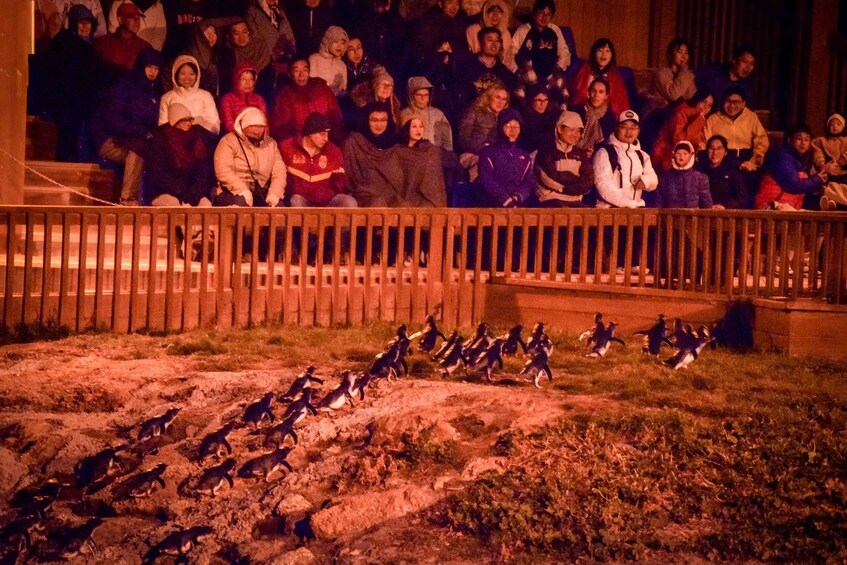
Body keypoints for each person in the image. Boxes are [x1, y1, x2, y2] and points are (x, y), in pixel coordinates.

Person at [92, 46, 163, 205]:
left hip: (135, 142)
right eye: (149, 67)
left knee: (149, 151)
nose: (153, 72)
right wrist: (140, 132)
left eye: (157, 68)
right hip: (110, 140)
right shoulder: (124, 86)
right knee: (139, 151)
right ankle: (128, 200)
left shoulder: (153, 92)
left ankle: (155, 200)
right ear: (141, 66)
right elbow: (112, 120)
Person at [344, 103, 447, 207]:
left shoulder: (394, 143)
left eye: (383, 120)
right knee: (378, 203)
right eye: (374, 120)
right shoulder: (355, 141)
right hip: (366, 190)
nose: (379, 125)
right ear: (366, 120)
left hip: (393, 191)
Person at [38, 4, 101, 162]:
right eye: (81, 22)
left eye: (88, 23)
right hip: (65, 103)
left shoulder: (92, 50)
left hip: (81, 105)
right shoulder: (65, 41)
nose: (85, 27)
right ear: (74, 23)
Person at [145, 103, 217, 207]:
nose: (188, 123)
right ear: (175, 121)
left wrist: (195, 192)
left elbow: (204, 168)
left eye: (190, 120)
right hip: (166, 190)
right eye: (183, 120)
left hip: (192, 190)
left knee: (206, 205)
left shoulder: (198, 136)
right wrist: (181, 192)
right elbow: (160, 174)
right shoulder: (161, 139)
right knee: (177, 207)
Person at [213, 106, 287, 208]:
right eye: (253, 126)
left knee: (279, 208)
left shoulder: (271, 144)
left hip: (261, 192)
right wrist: (242, 191)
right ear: (243, 126)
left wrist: (274, 193)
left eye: (261, 126)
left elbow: (279, 172)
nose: (257, 131)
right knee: (241, 204)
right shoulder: (228, 141)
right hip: (232, 191)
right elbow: (223, 170)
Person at [280, 112, 355, 207]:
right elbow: (279, 175)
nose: (326, 139)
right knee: (296, 200)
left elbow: (340, 179)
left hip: (327, 200)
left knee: (348, 202)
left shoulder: (333, 150)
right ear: (310, 133)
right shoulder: (287, 147)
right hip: (300, 199)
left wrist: (328, 193)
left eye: (327, 134)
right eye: (322, 134)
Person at [593, 110, 658, 209]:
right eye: (624, 127)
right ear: (616, 128)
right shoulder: (604, 153)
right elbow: (603, 185)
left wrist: (644, 181)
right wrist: (627, 203)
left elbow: (653, 179)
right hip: (609, 212)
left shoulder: (642, 155)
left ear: (638, 130)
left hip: (635, 211)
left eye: (633, 127)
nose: (629, 131)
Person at [755, 124, 829, 210]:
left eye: (806, 139)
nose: (803, 143)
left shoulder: (801, 158)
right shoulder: (782, 156)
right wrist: (817, 180)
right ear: (789, 140)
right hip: (769, 204)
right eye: (799, 139)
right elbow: (792, 184)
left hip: (786, 204)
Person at [271, 58, 345, 144]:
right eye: (296, 71)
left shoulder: (322, 89)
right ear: (290, 73)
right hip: (300, 143)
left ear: (309, 71)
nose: (301, 75)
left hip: (326, 140)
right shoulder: (285, 95)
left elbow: (335, 117)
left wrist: (333, 140)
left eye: (305, 70)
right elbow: (281, 127)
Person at [512, 0, 571, 104]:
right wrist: (516, 69)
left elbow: (564, 52)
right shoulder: (524, 30)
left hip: (549, 69)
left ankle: (558, 110)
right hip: (529, 70)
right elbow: (512, 52)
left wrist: (558, 68)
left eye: (548, 15)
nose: (544, 17)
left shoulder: (554, 31)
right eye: (541, 13)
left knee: (560, 81)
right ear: (534, 14)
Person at [702, 85, 768, 172]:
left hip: (746, 158)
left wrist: (753, 161)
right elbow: (705, 142)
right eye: (728, 101)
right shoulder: (713, 119)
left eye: (736, 102)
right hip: (723, 159)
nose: (732, 106)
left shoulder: (751, 117)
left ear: (743, 103)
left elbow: (761, 140)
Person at [534, 110, 593, 207]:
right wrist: (575, 179)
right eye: (571, 130)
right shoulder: (546, 151)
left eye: (578, 131)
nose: (575, 134)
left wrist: (566, 187)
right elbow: (550, 178)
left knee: (589, 216)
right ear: (559, 129)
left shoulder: (580, 154)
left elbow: (588, 181)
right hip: (550, 199)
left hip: (575, 199)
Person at [477, 109, 534, 207]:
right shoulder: (488, 152)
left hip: (516, 204)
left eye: (516, 126)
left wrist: (518, 196)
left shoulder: (524, 156)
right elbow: (487, 180)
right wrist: (506, 200)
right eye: (508, 126)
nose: (513, 130)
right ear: (500, 127)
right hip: (492, 205)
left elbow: (527, 182)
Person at [456, 26, 518, 109]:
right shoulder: (467, 66)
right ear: (480, 43)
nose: (494, 44)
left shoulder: (503, 71)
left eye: (497, 41)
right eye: (490, 40)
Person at [651, 91, 713, 172]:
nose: (706, 107)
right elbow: (679, 140)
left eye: (709, 105)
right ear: (697, 99)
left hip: (687, 162)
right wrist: (699, 120)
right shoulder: (682, 112)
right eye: (704, 102)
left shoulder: (705, 119)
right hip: (668, 160)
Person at [458, 82, 509, 180]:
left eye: (504, 99)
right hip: (472, 154)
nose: (500, 102)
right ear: (489, 97)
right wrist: (484, 149)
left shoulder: (506, 117)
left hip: (497, 155)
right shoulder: (474, 111)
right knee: (485, 163)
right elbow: (463, 139)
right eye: (497, 97)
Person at [159, 54, 221, 134]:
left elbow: (215, 125)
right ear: (175, 74)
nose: (187, 78)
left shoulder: (206, 96)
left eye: (191, 74)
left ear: (197, 75)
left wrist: (197, 126)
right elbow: (163, 126)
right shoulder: (167, 97)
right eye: (183, 74)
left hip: (202, 141)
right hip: (175, 142)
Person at [569, 38, 631, 117]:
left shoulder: (616, 77)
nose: (603, 54)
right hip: (583, 114)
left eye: (607, 51)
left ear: (612, 55)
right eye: (600, 51)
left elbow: (620, 105)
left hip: (607, 116)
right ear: (594, 53)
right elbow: (576, 96)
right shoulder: (583, 71)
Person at [93, 2, 152, 81]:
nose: (137, 21)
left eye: (138, 18)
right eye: (132, 18)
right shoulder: (103, 43)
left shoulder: (144, 47)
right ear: (120, 19)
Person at [218, 20, 272, 97]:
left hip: (261, 91)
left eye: (244, 32)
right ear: (229, 36)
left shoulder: (260, 46)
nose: (241, 37)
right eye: (236, 33)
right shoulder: (227, 52)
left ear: (249, 32)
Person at [410, 0, 468, 71]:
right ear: (440, 4)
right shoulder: (429, 21)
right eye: (450, 3)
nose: (454, 7)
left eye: (457, 3)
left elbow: (462, 46)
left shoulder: (459, 21)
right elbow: (421, 49)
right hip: (429, 66)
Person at [400, 76, 454, 151]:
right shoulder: (406, 114)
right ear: (412, 96)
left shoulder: (438, 114)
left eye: (426, 95)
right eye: (419, 95)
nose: (423, 98)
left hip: (434, 156)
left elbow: (447, 140)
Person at [696, 135, 749, 209]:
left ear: (725, 152)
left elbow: (742, 198)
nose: (715, 152)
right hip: (704, 212)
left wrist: (725, 206)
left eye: (719, 149)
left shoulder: (733, 170)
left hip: (726, 213)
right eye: (711, 148)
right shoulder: (699, 170)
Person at [657, 141, 713, 209]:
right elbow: (659, 201)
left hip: (693, 217)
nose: (681, 156)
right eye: (678, 153)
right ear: (674, 155)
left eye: (685, 153)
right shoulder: (665, 177)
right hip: (671, 217)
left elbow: (706, 203)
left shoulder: (700, 178)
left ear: (691, 155)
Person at [218, 62, 269, 133]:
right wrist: (243, 139)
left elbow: (265, 124)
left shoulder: (259, 99)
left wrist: (263, 139)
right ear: (237, 80)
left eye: (251, 79)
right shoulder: (228, 99)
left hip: (257, 139)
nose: (247, 83)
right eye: (243, 79)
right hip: (235, 139)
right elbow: (229, 124)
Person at [573, 78, 617, 157]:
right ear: (588, 93)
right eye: (593, 91)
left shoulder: (610, 117)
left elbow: (610, 143)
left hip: (598, 156)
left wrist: (595, 151)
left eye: (601, 92)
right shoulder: (577, 111)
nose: (596, 95)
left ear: (606, 96)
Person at [466, 0, 514, 71]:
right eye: (491, 11)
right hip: (476, 69)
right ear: (485, 13)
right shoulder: (473, 30)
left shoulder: (506, 34)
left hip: (499, 72)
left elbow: (508, 59)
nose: (495, 14)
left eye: (499, 11)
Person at [245, 0, 297, 66]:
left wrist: (291, 52)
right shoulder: (252, 12)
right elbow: (255, 38)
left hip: (286, 58)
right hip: (267, 61)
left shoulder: (280, 10)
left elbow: (289, 33)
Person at [651, 38, 697, 111]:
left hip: (680, 112)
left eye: (686, 53)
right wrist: (683, 72)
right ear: (670, 54)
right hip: (660, 113)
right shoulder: (662, 73)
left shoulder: (688, 75)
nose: (684, 56)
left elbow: (690, 97)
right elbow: (673, 95)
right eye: (680, 52)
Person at [309, 26, 349, 96]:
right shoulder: (314, 59)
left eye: (342, 43)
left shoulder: (342, 64)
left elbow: (343, 88)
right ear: (328, 41)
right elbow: (310, 84)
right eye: (336, 42)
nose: (339, 46)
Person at [183, 20, 219, 95]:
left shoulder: (219, 55)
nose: (211, 36)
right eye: (207, 33)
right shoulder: (188, 56)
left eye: (214, 33)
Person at [519, 85, 557, 153]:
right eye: (539, 100)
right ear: (531, 101)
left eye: (545, 100)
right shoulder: (524, 119)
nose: (542, 104)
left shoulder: (550, 118)